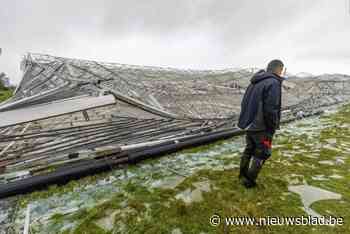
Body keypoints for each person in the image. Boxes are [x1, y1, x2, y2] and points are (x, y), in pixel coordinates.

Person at [237, 59, 285, 188]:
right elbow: (271, 108)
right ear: (279, 69)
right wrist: (272, 127)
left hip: (250, 124)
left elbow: (244, 103)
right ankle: (249, 182)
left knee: (249, 150)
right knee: (262, 153)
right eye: (282, 70)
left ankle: (242, 175)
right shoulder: (273, 82)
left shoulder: (254, 82)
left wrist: (246, 121)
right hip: (262, 127)